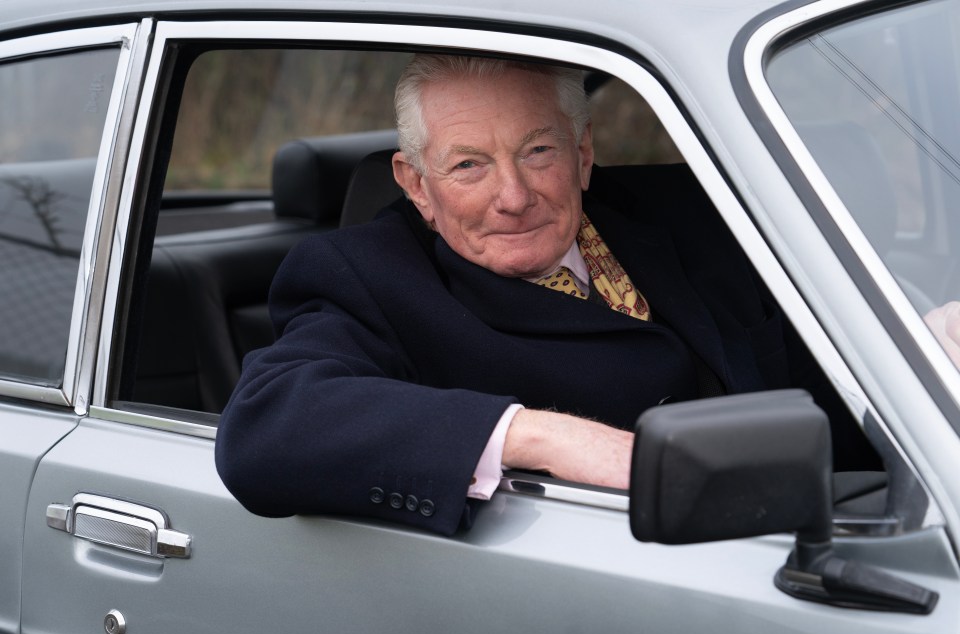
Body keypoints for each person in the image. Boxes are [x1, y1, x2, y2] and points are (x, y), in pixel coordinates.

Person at [214, 54, 876, 536]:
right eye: (469, 164)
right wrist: (540, 436)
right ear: (416, 185)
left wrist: (917, 337)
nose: (513, 196)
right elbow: (266, 427)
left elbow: (834, 351)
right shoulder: (368, 276)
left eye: (537, 152)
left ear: (583, 151)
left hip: (832, 532)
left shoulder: (696, 211)